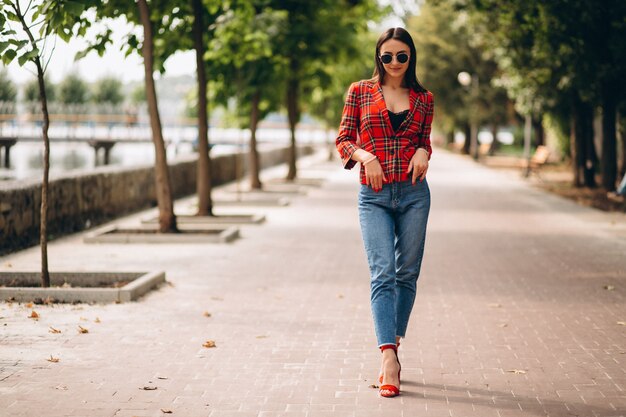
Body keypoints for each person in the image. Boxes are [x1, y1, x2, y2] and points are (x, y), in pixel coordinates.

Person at [335, 27, 434, 398]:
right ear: (379, 57)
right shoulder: (359, 91)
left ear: (411, 58)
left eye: (401, 56)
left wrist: (425, 151)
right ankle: (388, 357)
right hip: (373, 196)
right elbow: (343, 139)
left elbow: (423, 140)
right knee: (383, 274)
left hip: (413, 195)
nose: (393, 63)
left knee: (407, 274)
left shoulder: (424, 98)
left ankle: (391, 337)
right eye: (387, 56)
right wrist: (366, 156)